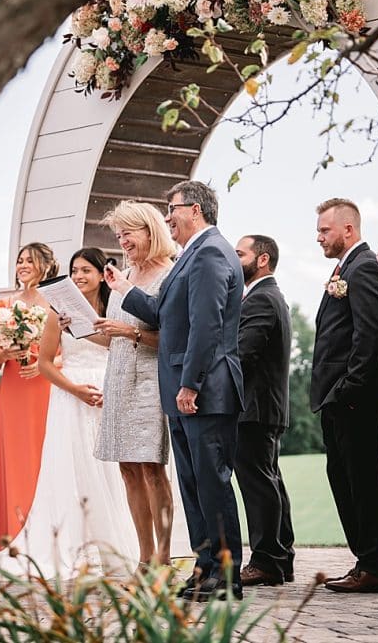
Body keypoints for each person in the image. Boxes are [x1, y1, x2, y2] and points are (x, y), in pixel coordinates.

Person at [105, 180, 245, 601]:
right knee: (193, 486)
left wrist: (190, 383)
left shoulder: (209, 254)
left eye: (173, 208)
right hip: (187, 394)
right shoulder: (193, 256)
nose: (168, 217)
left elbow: (207, 327)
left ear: (196, 210)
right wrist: (124, 291)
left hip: (205, 391)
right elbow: (166, 314)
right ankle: (204, 570)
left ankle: (224, 576)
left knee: (212, 484)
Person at [24, 248, 135, 575]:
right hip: (71, 398)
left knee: (111, 471)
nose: (78, 276)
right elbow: (44, 364)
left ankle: (115, 544)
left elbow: (126, 346)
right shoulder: (57, 313)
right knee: (72, 467)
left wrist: (84, 329)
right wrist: (74, 389)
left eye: (86, 270)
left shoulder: (115, 309)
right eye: (74, 271)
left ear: (102, 274)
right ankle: (73, 544)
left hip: (108, 393)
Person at [311, 198, 378, 593]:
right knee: (343, 478)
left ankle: (374, 566)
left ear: (349, 230)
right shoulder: (347, 269)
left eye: (325, 230)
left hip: (354, 398)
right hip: (337, 399)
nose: (319, 237)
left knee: (361, 480)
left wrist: (347, 391)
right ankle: (366, 561)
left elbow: (370, 337)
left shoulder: (365, 270)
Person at [93, 201, 177, 569]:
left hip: (150, 380)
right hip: (119, 378)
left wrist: (127, 331)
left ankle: (164, 553)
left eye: (129, 232)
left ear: (150, 231)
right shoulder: (122, 276)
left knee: (151, 467)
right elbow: (116, 337)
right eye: (119, 234)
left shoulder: (168, 276)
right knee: (127, 468)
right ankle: (143, 555)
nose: (123, 240)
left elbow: (173, 337)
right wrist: (79, 328)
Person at [232, 235, 295, 586]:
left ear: (262, 259)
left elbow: (244, 353)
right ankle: (280, 557)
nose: (234, 258)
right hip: (262, 407)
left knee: (258, 485)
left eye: (240, 253)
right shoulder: (267, 296)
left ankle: (266, 561)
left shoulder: (262, 299)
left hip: (254, 407)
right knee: (269, 481)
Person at [0, 242, 56, 542]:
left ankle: (45, 530)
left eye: (29, 260)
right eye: (19, 261)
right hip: (15, 384)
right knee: (15, 452)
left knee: (43, 451)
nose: (22, 265)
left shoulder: (55, 300)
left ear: (44, 263)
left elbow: (69, 349)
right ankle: (16, 531)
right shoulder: (4, 307)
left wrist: (47, 363)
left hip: (44, 384)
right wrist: (5, 352)